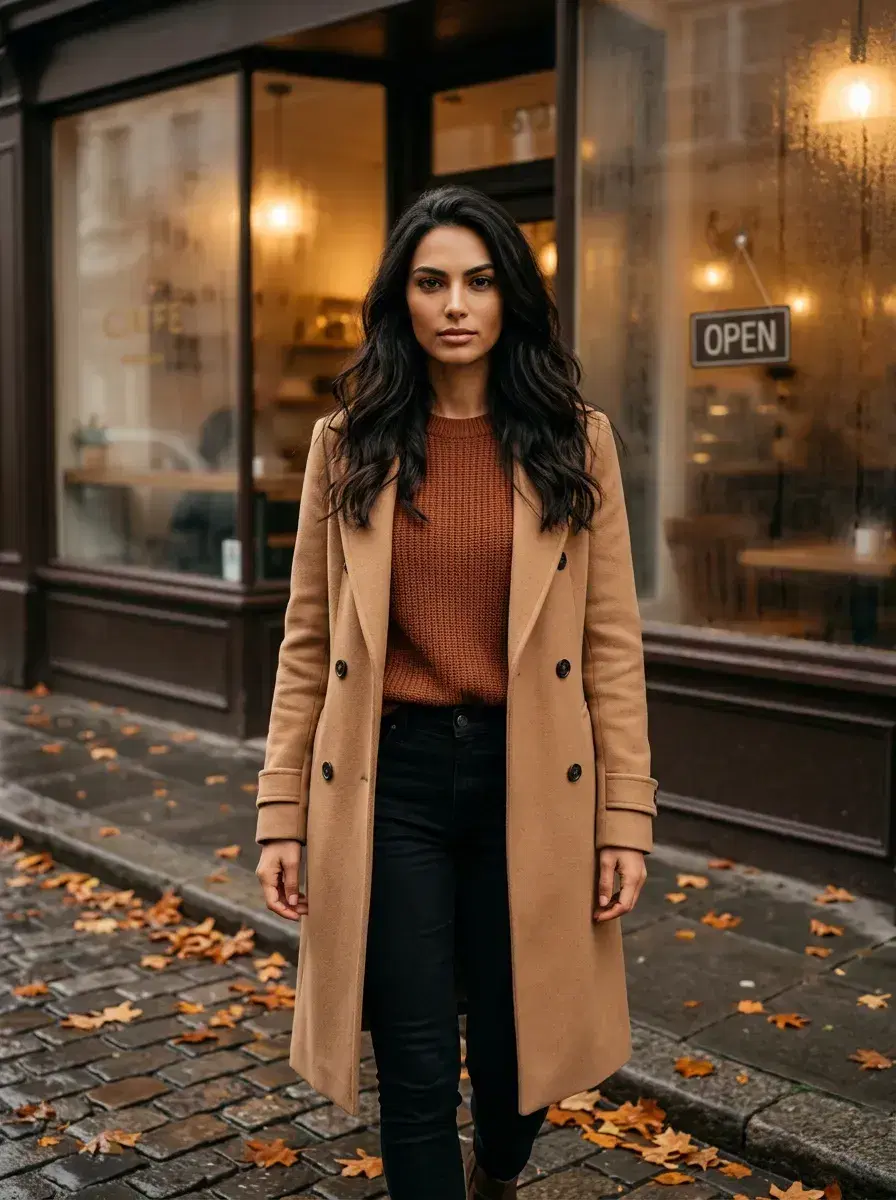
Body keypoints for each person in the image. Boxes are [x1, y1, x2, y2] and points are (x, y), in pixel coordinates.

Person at [254, 185, 657, 1200]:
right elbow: (308, 642)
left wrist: (625, 818)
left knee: (521, 1068)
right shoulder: (348, 444)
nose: (455, 303)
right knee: (418, 1065)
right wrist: (279, 813)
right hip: (391, 781)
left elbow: (611, 648)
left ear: (510, 297)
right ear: (403, 299)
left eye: (478, 281)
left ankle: (500, 1170)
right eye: (431, 282)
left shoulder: (576, 439)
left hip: (532, 779)